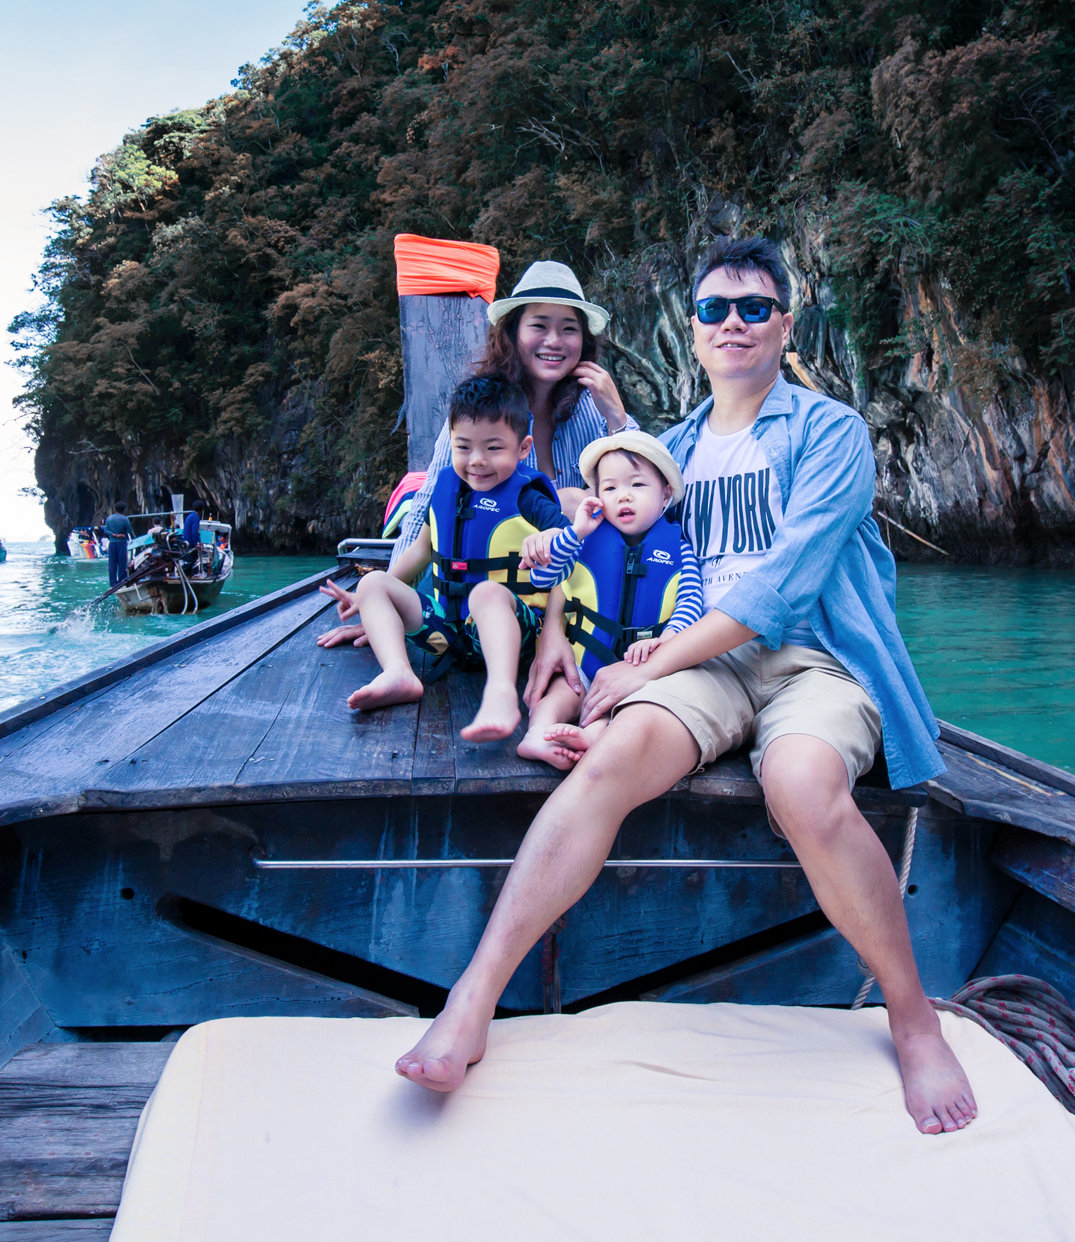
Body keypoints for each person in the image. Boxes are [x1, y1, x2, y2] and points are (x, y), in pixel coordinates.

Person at [392, 237, 979, 1136]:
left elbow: (783, 586)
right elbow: (587, 553)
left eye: (753, 307)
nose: (732, 322)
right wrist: (559, 637)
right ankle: (472, 1002)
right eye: (714, 309)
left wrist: (649, 665)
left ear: (785, 324)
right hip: (698, 664)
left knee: (800, 783)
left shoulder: (830, 432)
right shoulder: (664, 452)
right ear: (695, 334)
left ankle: (912, 1017)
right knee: (608, 760)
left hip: (816, 658)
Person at [317, 260, 631, 657]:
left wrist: (618, 418)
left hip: (560, 599)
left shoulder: (591, 408)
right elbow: (425, 515)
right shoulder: (479, 410)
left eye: (569, 328)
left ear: (583, 342)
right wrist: (382, 609)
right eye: (539, 325)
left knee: (572, 498)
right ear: (513, 331)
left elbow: (642, 494)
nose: (554, 340)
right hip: (475, 608)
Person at [343, 375, 565, 741]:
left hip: (514, 636)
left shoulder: (527, 496)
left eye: (493, 448)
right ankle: (398, 672)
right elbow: (421, 550)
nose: (477, 461)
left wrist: (549, 539)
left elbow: (566, 537)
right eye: (464, 447)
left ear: (523, 448)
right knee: (372, 582)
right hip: (448, 634)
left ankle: (501, 693)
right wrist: (368, 602)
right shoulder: (445, 488)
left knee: (486, 593)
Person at [511, 432, 703, 770]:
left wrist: (665, 642)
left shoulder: (679, 549)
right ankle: (538, 733)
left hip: (639, 672)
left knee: (634, 709)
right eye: (610, 489)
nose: (623, 496)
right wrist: (572, 534)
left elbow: (690, 604)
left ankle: (590, 737)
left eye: (638, 486)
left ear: (665, 495)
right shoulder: (583, 540)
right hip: (584, 665)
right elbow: (544, 579)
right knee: (560, 692)